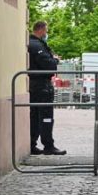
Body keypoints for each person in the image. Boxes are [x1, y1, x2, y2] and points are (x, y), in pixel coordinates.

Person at [27, 21, 66, 155]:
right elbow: (48, 64)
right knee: (46, 116)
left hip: (35, 85)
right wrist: (55, 60)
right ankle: (48, 145)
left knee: (35, 117)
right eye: (46, 30)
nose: (46, 33)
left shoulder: (31, 43)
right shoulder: (36, 45)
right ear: (41, 29)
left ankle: (32, 144)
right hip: (42, 85)